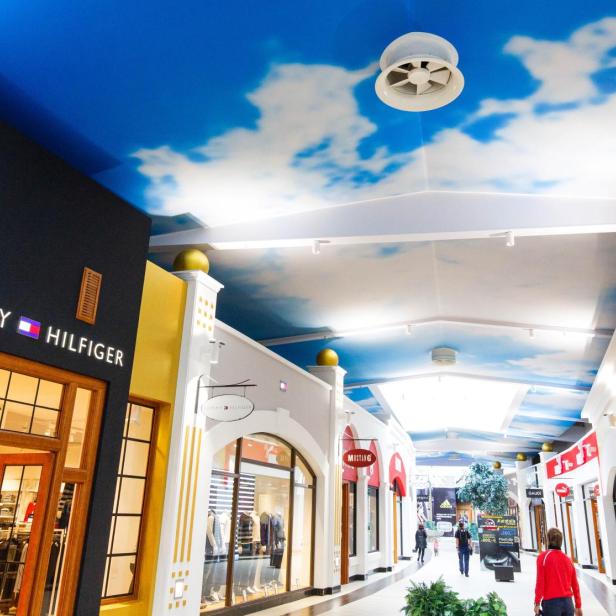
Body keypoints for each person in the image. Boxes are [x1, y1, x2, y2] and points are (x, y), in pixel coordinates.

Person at [534, 527, 582, 616]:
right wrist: (578, 606)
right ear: (561, 541)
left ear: (548, 540)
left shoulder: (542, 558)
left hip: (551, 603)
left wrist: (537, 603)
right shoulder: (568, 559)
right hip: (568, 603)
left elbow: (540, 582)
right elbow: (575, 584)